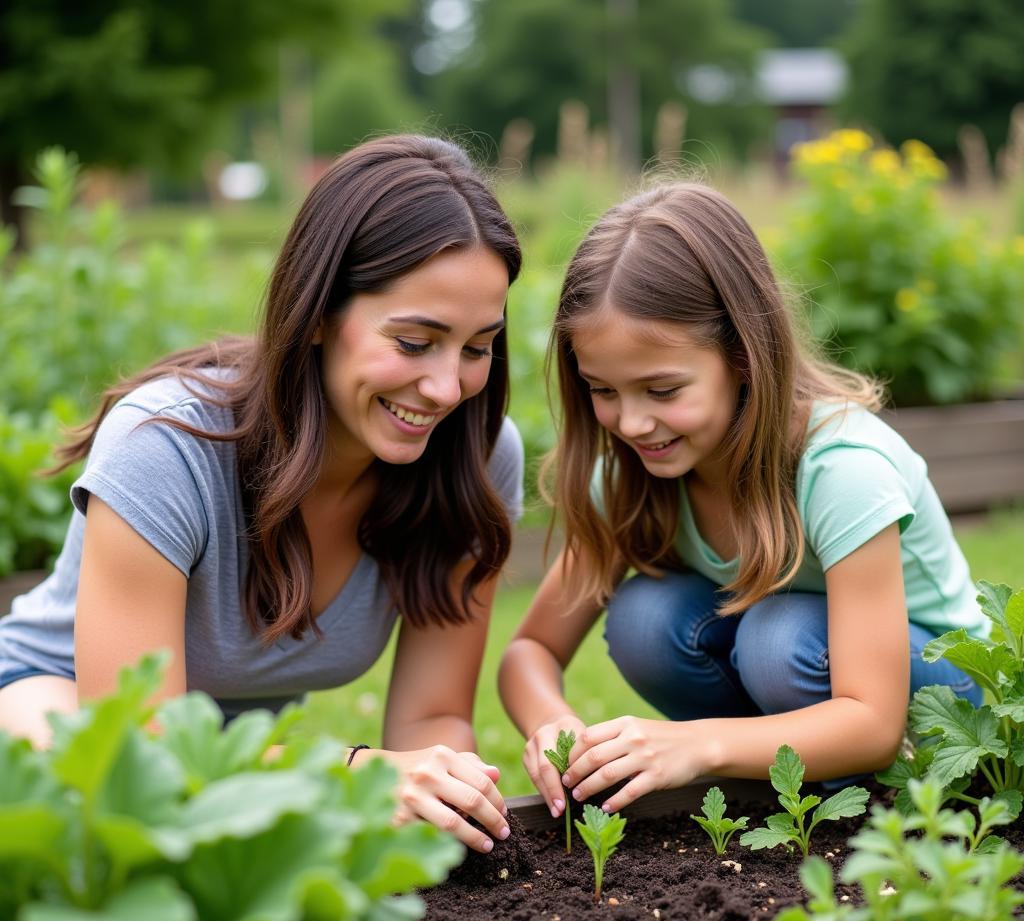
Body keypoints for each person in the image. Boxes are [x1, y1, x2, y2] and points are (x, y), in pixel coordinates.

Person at [0, 135, 523, 854]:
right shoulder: (166, 447)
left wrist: (452, 795)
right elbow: (137, 748)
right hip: (67, 712)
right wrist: (354, 774)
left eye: (476, 347)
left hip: (239, 755)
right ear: (315, 315)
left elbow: (431, 722)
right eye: (412, 342)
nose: (445, 388)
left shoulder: (475, 458)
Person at [499, 182, 985, 819]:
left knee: (777, 639)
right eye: (603, 390)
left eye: (663, 389)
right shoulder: (628, 476)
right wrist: (554, 728)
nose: (632, 422)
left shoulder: (841, 469)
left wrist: (697, 744)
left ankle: (851, 796)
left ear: (743, 354)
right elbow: (528, 652)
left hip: (941, 707)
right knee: (645, 618)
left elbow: (874, 722)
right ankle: (781, 785)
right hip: (809, 693)